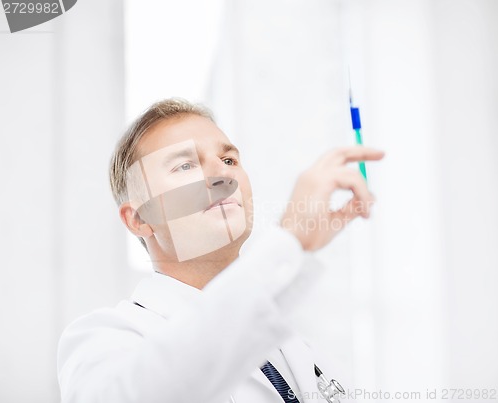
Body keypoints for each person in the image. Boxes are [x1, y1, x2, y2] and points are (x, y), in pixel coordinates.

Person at [57, 98, 384, 403]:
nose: (223, 173)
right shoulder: (103, 341)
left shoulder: (302, 350)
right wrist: (289, 241)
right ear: (140, 218)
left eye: (229, 159)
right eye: (185, 166)